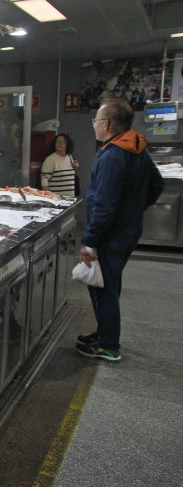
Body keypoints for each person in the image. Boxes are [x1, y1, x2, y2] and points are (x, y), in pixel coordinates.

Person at [77, 98, 163, 362]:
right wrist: (134, 210)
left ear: (106, 124)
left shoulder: (113, 155)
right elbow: (156, 185)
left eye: (96, 121)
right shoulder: (136, 148)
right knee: (109, 285)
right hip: (127, 232)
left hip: (110, 236)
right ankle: (104, 333)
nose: (94, 126)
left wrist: (89, 241)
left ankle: (109, 346)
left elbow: (103, 206)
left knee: (103, 289)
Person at [40, 133, 79, 198]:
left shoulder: (69, 157)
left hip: (70, 199)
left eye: (63, 141)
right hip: (56, 199)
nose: (60, 144)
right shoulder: (50, 159)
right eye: (58, 141)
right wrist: (46, 197)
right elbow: (44, 178)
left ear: (68, 144)